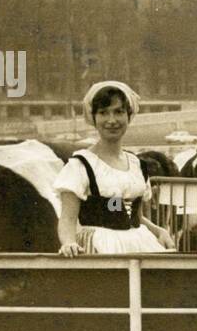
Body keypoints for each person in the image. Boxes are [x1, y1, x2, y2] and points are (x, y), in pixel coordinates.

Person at [54, 81, 175, 256]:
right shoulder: (81, 165)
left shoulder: (137, 165)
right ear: (94, 118)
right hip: (99, 247)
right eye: (104, 113)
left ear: (128, 115)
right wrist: (68, 243)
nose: (112, 120)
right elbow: (67, 219)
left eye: (119, 112)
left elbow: (136, 218)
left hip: (139, 244)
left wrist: (158, 231)